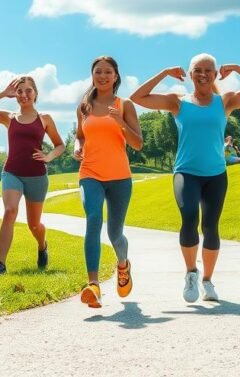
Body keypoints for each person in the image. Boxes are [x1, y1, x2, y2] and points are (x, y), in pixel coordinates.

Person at [131, 56, 240, 303]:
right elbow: (137, 97)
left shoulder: (225, 102)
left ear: (216, 73)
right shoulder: (178, 102)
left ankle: (207, 280)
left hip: (216, 174)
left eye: (208, 70)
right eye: (198, 70)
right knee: (188, 217)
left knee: (210, 226)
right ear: (190, 73)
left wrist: (238, 68)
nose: (203, 74)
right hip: (186, 172)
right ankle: (191, 274)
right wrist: (164, 72)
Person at [0, 76, 65, 275]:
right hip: (12, 172)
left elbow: (60, 145)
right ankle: (1, 264)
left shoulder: (45, 118)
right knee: (10, 211)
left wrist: (48, 156)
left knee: (34, 225)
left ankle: (42, 245)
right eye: (19, 92)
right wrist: (2, 94)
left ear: (35, 93)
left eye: (28, 91)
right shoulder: (9, 117)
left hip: (37, 176)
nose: (23, 95)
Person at [75, 56, 142, 307]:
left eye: (107, 72)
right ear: (92, 75)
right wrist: (77, 147)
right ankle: (93, 285)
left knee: (115, 234)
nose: (102, 76)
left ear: (116, 77)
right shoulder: (84, 105)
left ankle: (123, 265)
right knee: (93, 218)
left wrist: (120, 121)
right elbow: (80, 136)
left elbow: (137, 143)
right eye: (98, 72)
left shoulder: (124, 105)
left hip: (120, 177)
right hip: (90, 172)